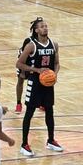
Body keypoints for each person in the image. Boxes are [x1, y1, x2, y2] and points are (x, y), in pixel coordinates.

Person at [16, 17, 62, 157]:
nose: (45, 28)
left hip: (48, 84)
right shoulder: (31, 45)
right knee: (29, 112)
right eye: (42, 26)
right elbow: (19, 64)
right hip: (34, 81)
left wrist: (54, 74)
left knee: (49, 111)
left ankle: (51, 140)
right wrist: (36, 70)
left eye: (46, 26)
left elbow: (57, 63)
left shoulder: (54, 44)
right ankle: (24, 144)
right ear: (36, 30)